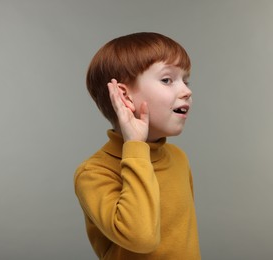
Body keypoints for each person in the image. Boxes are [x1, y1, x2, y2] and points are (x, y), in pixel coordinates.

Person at [74, 32, 201, 259]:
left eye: (186, 80)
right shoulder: (94, 173)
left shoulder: (178, 158)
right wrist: (135, 147)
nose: (187, 91)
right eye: (167, 80)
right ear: (124, 96)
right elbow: (142, 238)